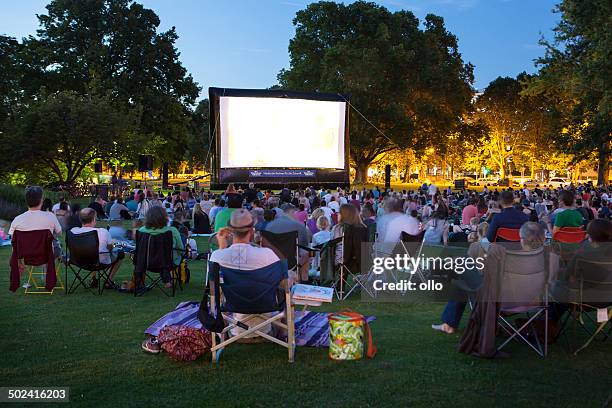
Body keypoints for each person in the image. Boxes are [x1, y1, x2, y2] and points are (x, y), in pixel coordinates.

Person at [210, 209, 280, 340]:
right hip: (267, 326)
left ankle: (221, 332)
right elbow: (283, 282)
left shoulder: (217, 256)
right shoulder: (268, 255)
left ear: (230, 230)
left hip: (235, 325)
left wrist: (222, 247)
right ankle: (286, 335)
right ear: (252, 230)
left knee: (218, 291)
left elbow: (211, 286)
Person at [9, 186, 63, 288]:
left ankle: (27, 272)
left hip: (26, 256)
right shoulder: (50, 216)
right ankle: (48, 275)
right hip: (47, 255)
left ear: (26, 201)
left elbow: (13, 240)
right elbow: (59, 233)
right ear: (41, 200)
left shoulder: (17, 219)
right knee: (55, 245)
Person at [70, 208, 125, 288]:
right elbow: (110, 249)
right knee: (120, 253)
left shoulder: (73, 231)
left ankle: (93, 279)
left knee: (91, 252)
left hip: (79, 261)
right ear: (94, 219)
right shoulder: (103, 232)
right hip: (99, 263)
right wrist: (114, 244)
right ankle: (108, 281)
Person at [137, 206, 184, 288]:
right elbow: (181, 249)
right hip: (168, 263)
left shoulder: (141, 231)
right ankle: (167, 279)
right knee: (167, 256)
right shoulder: (172, 231)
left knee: (161, 256)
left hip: (145, 262)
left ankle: (139, 281)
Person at [264, 203, 311, 283]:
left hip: (272, 261)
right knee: (307, 255)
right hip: (291, 262)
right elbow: (305, 249)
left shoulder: (268, 226)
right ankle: (302, 283)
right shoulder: (299, 226)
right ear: (292, 212)